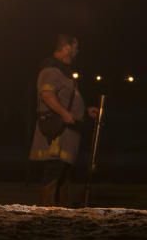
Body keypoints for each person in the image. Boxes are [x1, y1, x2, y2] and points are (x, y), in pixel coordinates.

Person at [29, 34, 99, 206]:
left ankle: (59, 209)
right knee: (54, 169)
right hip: (57, 129)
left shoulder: (63, 72)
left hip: (68, 130)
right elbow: (47, 95)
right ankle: (46, 209)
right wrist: (64, 114)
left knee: (63, 171)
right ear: (67, 48)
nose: (77, 51)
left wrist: (85, 111)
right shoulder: (51, 69)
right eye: (75, 47)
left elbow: (68, 98)